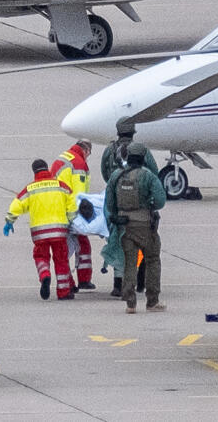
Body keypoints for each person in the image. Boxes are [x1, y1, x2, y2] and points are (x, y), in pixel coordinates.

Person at [104, 143, 167, 314]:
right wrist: (149, 205)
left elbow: (109, 202)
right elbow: (161, 200)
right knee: (152, 260)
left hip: (125, 227)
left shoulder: (116, 175)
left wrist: (118, 214)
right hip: (146, 225)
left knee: (129, 263)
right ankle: (152, 301)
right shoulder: (148, 176)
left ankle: (130, 303)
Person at [4, 159, 77, 300]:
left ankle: (45, 275)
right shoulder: (61, 186)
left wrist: (9, 221)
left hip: (40, 233)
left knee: (41, 256)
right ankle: (63, 292)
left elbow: (17, 205)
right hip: (59, 231)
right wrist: (72, 221)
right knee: (61, 259)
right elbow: (72, 205)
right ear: (47, 169)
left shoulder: (30, 189)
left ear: (34, 172)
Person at [100, 118, 158, 297]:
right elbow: (154, 173)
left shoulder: (109, 150)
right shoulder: (142, 150)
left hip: (115, 205)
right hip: (140, 206)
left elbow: (104, 173)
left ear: (118, 131)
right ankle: (139, 280)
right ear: (133, 131)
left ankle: (118, 283)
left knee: (117, 241)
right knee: (144, 243)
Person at [51, 140, 96, 290]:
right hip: (70, 211)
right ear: (86, 150)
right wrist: (80, 214)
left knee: (64, 249)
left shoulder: (64, 157)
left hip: (57, 208)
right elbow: (78, 193)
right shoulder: (78, 164)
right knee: (82, 245)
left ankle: (69, 282)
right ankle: (83, 280)